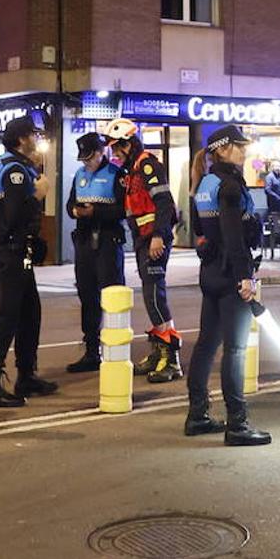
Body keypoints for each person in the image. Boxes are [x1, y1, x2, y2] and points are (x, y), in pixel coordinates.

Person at [184, 125, 271, 446]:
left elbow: (200, 230)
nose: (243, 151)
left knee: (207, 345)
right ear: (221, 150)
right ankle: (237, 424)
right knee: (235, 350)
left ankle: (197, 415)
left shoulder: (204, 183)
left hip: (210, 273)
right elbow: (235, 236)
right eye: (238, 146)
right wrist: (245, 277)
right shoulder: (230, 185)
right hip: (231, 274)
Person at [0, 116, 58, 407]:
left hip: (17, 250)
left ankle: (27, 374)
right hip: (12, 250)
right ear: (20, 139)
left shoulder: (9, 165)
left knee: (30, 313)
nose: (35, 139)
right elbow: (14, 215)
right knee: (8, 316)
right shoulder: (14, 170)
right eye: (31, 135)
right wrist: (37, 194)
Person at [104, 117, 182, 383]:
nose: (115, 153)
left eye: (118, 147)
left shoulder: (148, 165)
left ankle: (170, 359)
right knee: (150, 294)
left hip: (153, 239)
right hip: (143, 239)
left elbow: (164, 203)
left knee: (154, 294)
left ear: (130, 143)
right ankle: (158, 353)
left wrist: (159, 236)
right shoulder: (132, 170)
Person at [64, 132, 126, 373]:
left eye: (90, 157)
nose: (86, 163)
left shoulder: (116, 175)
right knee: (87, 295)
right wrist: (76, 211)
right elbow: (70, 204)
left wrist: (96, 212)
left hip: (108, 241)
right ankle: (91, 350)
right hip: (84, 241)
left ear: (102, 153)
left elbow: (123, 209)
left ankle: (115, 347)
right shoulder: (80, 175)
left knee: (111, 295)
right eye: (83, 159)